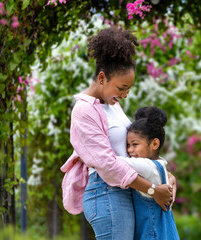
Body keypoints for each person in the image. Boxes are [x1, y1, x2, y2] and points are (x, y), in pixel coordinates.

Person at [60, 27, 175, 240]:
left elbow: (131, 150)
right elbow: (107, 164)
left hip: (124, 190)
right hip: (105, 193)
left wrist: (163, 174)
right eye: (121, 88)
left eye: (128, 89)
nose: (125, 94)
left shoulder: (112, 105)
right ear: (102, 78)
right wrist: (152, 189)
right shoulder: (84, 111)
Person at [121, 106, 180, 240]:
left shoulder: (146, 165)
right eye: (128, 145)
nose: (129, 150)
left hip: (152, 234)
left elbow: (112, 162)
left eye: (135, 144)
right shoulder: (161, 163)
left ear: (154, 144)